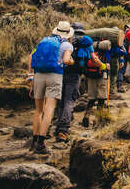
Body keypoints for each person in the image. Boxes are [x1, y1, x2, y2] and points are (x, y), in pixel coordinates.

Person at [28, 21, 74, 154]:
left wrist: (30, 75)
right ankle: (41, 143)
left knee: (38, 111)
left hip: (38, 75)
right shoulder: (67, 44)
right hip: (54, 76)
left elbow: (31, 57)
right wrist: (71, 61)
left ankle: (34, 141)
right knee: (49, 109)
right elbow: (66, 60)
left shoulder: (44, 40)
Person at [54, 22, 86, 142]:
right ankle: (63, 130)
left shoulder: (63, 41)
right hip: (75, 75)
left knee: (61, 101)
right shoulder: (85, 42)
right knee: (69, 101)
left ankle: (58, 127)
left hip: (60, 73)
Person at [81, 41, 109, 128]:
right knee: (101, 97)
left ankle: (87, 115)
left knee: (92, 98)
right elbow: (108, 59)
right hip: (101, 74)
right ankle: (97, 119)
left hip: (90, 75)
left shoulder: (89, 48)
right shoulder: (106, 49)